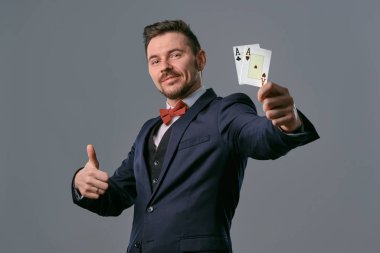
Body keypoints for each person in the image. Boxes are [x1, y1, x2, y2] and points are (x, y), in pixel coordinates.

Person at [72, 19, 319, 253]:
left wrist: (286, 122)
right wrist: (82, 184)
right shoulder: (147, 130)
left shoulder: (226, 111)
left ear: (200, 60)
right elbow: (115, 197)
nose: (165, 67)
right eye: (155, 61)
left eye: (175, 55)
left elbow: (259, 137)